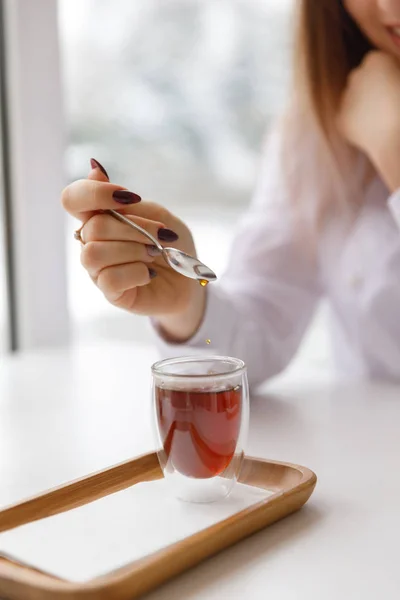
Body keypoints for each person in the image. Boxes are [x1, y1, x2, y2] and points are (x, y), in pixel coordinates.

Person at [62, 0, 400, 385]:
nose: (388, 5)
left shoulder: (382, 124)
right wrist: (188, 307)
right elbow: (249, 347)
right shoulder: (319, 134)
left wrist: (394, 149)